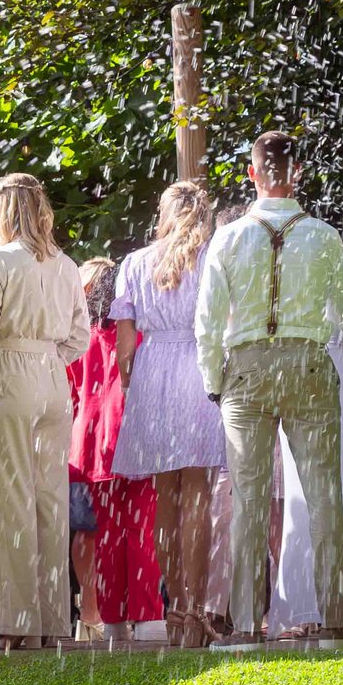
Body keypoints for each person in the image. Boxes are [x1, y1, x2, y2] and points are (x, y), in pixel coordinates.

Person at [194, 132, 343, 650]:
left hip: (245, 368)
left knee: (248, 501)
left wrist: (213, 382)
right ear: (298, 172)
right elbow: (342, 318)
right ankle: (333, 619)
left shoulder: (229, 237)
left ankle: (244, 624)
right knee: (325, 496)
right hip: (307, 362)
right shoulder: (325, 236)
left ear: (252, 173)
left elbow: (208, 323)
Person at [0, 174, 93, 647]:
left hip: (9, 370)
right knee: (50, 500)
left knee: (8, 498)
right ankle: (50, 619)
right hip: (51, 376)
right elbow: (79, 335)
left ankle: (16, 621)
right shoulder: (65, 264)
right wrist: (48, 359)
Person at [113, 181, 230, 649]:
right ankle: (197, 610)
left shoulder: (136, 263)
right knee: (198, 493)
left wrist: (131, 383)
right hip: (198, 369)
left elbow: (124, 348)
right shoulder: (211, 259)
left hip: (154, 372)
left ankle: (176, 607)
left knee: (166, 496)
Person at [71, 256, 156, 643]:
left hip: (90, 441)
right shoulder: (136, 334)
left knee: (104, 533)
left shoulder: (81, 339)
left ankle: (113, 619)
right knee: (140, 527)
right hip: (131, 431)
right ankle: (149, 615)